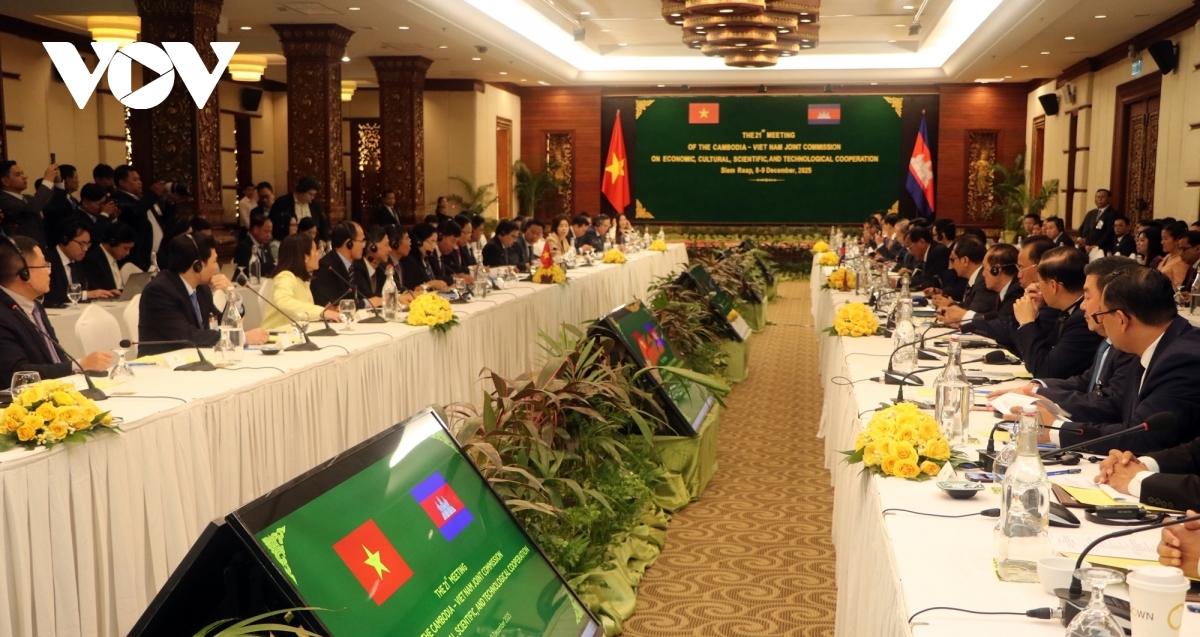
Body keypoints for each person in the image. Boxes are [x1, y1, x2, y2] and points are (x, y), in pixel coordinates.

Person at [1040, 267, 1200, 455]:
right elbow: (1117, 409)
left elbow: (1144, 435)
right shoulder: (1154, 347)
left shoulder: (1183, 361)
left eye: (1102, 314)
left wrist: (1055, 431)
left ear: (1122, 320)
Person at [988, 257, 1140, 424]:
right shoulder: (1108, 339)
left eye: (1088, 297)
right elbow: (1086, 381)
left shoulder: (1128, 344)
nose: (1083, 305)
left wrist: (1038, 395)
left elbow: (1110, 407)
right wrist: (1036, 388)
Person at [0, 236, 113, 381]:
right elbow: (17, 373)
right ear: (24, 274)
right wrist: (78, 365)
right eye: (44, 265)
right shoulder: (4, 314)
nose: (49, 271)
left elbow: (55, 356)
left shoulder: (35, 306)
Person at [137, 233, 268, 357]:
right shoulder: (159, 292)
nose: (217, 267)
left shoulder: (202, 289)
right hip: (162, 368)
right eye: (214, 261)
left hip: (197, 360)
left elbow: (221, 323)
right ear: (197, 266)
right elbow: (187, 336)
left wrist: (231, 294)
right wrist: (241, 338)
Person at [1010, 246, 1103, 379]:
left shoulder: (1082, 318)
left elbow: (1045, 371)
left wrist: (1027, 323)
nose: (1036, 286)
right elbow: (1035, 361)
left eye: (1038, 281)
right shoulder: (1068, 312)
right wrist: (1034, 317)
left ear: (1053, 285)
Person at [262, 233, 344, 331]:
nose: (319, 254)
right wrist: (322, 312)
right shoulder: (285, 276)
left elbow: (301, 312)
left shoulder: (302, 280)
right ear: (305, 257)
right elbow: (284, 302)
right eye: (315, 250)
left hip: (294, 334)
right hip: (276, 337)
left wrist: (325, 312)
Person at [112, 165, 174, 272]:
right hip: (136, 258)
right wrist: (153, 194)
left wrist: (170, 202)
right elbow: (135, 211)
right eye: (135, 179)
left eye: (139, 179)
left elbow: (164, 219)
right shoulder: (117, 198)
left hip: (156, 256)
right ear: (122, 182)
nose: (140, 182)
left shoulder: (143, 199)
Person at [310, 221, 380, 309]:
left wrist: (390, 298)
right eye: (361, 241)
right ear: (349, 243)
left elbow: (366, 294)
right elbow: (331, 304)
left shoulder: (357, 266)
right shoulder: (326, 267)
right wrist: (365, 303)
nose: (363, 246)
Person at [46, 220, 118, 305]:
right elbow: (48, 296)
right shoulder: (47, 261)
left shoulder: (80, 262)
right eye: (82, 243)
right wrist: (86, 294)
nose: (85, 249)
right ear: (65, 240)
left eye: (88, 244)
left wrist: (104, 293)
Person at [930, 236, 996, 313]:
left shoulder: (984, 280)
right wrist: (950, 304)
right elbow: (969, 306)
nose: (952, 265)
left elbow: (974, 315)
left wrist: (950, 305)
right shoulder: (975, 277)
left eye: (952, 260)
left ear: (965, 260)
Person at [0, 161, 58, 246]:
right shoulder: (4, 200)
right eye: (18, 175)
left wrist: (58, 183)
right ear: (5, 181)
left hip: (42, 246)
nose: (24, 177)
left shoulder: (28, 198)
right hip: (24, 250)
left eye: (22, 173)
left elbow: (56, 205)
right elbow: (32, 208)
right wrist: (47, 180)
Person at [81, 221, 137, 291]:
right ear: (112, 242)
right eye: (125, 248)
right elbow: (95, 291)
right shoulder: (92, 260)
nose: (128, 253)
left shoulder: (119, 258)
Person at [270, 176, 328, 242]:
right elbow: (274, 223)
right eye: (310, 194)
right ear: (301, 190)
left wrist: (324, 240)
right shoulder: (282, 202)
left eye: (314, 195)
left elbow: (323, 223)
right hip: (288, 242)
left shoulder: (314, 205)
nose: (312, 197)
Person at [400, 222, 448, 292]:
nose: (434, 246)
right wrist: (430, 284)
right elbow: (408, 290)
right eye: (431, 242)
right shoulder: (409, 262)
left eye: (435, 242)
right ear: (419, 241)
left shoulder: (428, 259)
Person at [43, 164, 82, 246]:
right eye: (76, 178)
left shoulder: (74, 200)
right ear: (68, 181)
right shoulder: (53, 199)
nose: (78, 181)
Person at [1076, 189, 1118, 254]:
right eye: (1098, 197)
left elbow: (1109, 233)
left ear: (1109, 199)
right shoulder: (1091, 213)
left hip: (1100, 249)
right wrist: (1080, 239)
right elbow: (1081, 228)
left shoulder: (1113, 214)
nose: (1100, 199)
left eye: (1102, 197)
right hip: (1084, 248)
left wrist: (1096, 246)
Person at [1157, 221, 1190, 287]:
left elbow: (1179, 286)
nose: (1162, 242)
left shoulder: (1181, 261)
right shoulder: (1168, 256)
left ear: (1176, 241)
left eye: (1165, 239)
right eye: (1162, 239)